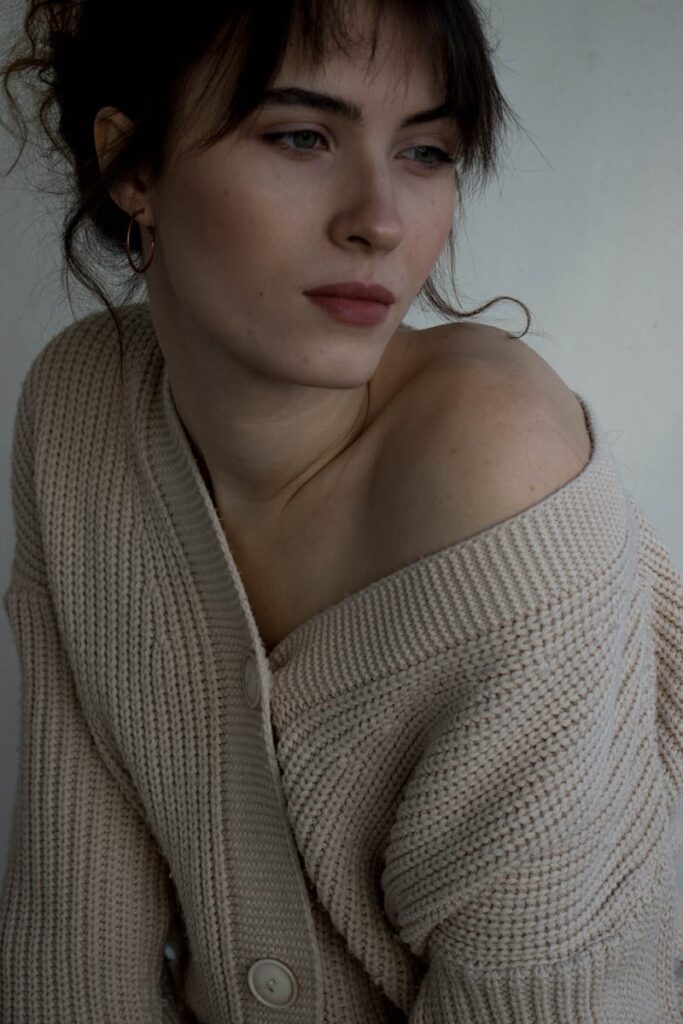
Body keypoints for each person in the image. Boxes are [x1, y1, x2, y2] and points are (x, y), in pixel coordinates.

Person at [1, 0, 683, 1021]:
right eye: (301, 137)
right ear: (131, 165)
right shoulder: (77, 411)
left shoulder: (496, 474)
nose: (381, 219)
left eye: (425, 152)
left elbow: (544, 992)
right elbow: (75, 921)